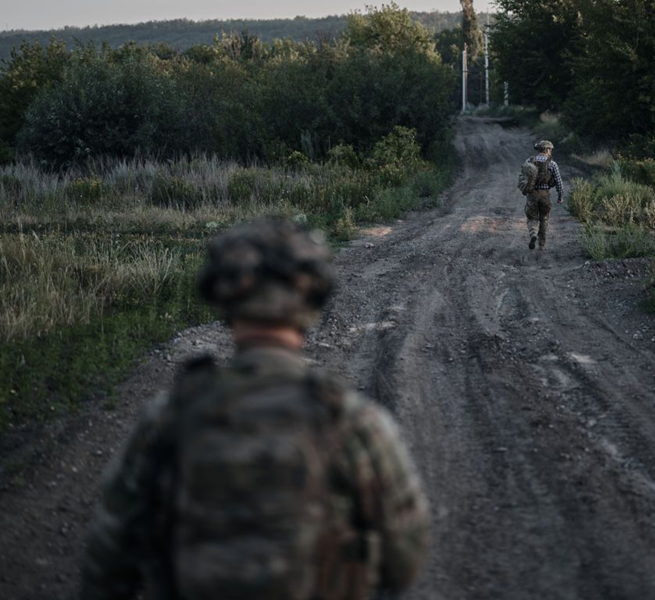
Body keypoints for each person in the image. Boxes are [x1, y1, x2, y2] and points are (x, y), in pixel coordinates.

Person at [80, 218, 430, 600]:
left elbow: (107, 565)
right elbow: (403, 560)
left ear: (225, 301)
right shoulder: (356, 423)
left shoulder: (167, 420)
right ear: (310, 302)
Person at [521, 140, 564, 250]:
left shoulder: (529, 161)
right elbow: (559, 182)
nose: (551, 152)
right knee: (544, 219)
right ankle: (542, 244)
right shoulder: (552, 164)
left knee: (532, 218)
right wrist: (560, 197)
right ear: (547, 150)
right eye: (550, 150)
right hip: (545, 195)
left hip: (532, 195)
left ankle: (533, 234)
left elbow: (523, 179)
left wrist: (525, 189)